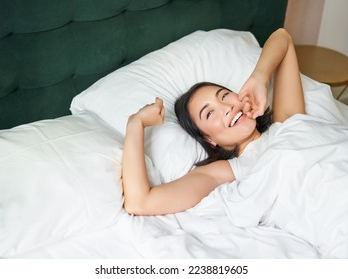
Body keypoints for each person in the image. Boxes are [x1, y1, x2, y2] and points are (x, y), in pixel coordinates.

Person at [122, 28, 305, 216]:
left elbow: (283, 37)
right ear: (209, 139)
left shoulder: (285, 125)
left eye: (225, 95)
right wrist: (135, 124)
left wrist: (259, 78)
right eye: (209, 113)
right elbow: (140, 203)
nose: (226, 107)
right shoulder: (226, 171)